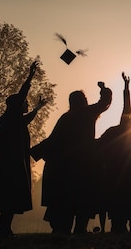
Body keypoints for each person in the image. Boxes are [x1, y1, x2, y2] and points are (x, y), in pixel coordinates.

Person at [31, 82, 112, 233]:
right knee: (83, 198)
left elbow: (54, 139)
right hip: (85, 163)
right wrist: (103, 89)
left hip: (66, 165)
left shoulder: (66, 118)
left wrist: (36, 151)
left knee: (66, 200)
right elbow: (105, 102)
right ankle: (80, 228)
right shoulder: (88, 113)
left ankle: (62, 228)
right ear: (84, 101)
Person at [0, 62, 47, 237]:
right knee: (7, 199)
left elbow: (28, 118)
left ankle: (1, 229)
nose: (26, 104)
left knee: (6, 201)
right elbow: (22, 96)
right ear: (17, 105)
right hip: (11, 165)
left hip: (9, 164)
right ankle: (1, 229)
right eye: (25, 103)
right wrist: (30, 76)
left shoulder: (14, 121)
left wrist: (37, 108)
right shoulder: (12, 118)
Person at [98, 73, 131, 233]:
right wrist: (126, 87)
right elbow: (126, 106)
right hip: (128, 174)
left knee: (123, 204)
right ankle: (127, 227)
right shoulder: (130, 131)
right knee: (128, 204)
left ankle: (124, 226)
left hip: (123, 174)